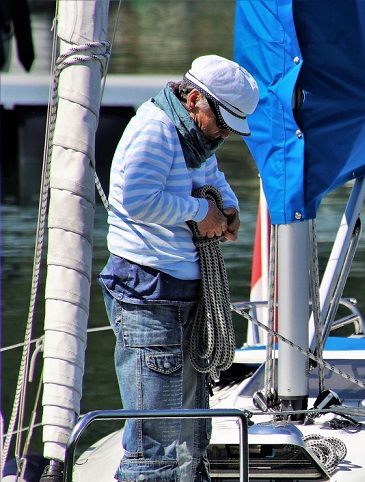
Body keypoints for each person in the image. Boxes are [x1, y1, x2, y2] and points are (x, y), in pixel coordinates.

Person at [94, 55, 258, 482]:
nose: (223, 135)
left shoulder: (195, 138)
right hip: (148, 291)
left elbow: (212, 175)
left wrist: (229, 205)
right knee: (158, 443)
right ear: (195, 99)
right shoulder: (156, 130)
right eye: (221, 123)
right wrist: (201, 213)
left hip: (179, 291)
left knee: (191, 436)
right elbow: (136, 199)